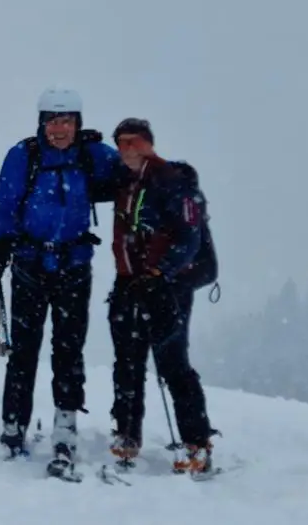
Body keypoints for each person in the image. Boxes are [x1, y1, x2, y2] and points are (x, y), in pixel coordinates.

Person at [0, 87, 122, 468]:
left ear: (78, 123)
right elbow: (6, 201)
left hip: (74, 265)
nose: (59, 129)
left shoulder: (92, 155)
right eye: (52, 121)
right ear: (41, 122)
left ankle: (65, 427)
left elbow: (131, 172)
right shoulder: (23, 155)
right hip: (29, 264)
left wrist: (170, 177)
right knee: (23, 352)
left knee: (68, 350)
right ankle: (12, 429)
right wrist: (0, 243)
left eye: (66, 121)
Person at [106, 116, 217, 475]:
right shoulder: (123, 181)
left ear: (150, 143)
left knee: (173, 363)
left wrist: (161, 273)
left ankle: (197, 442)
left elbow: (190, 238)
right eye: (121, 142)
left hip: (167, 287)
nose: (128, 149)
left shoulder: (172, 181)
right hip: (128, 283)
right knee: (127, 361)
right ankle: (126, 432)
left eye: (135, 141)